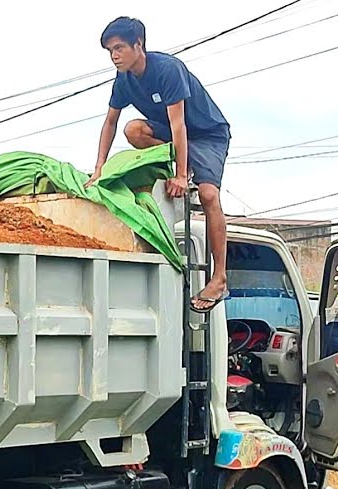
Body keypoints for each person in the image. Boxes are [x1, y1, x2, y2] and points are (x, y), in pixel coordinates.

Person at [86, 16, 232, 313]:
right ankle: (176, 165)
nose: (114, 56)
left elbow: (179, 124)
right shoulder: (124, 80)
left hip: (206, 135)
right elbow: (110, 122)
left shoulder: (167, 69)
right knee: (133, 130)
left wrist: (181, 175)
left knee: (208, 195)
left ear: (138, 45)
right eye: (110, 51)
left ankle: (219, 278)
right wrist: (99, 168)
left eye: (119, 48)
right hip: (170, 134)